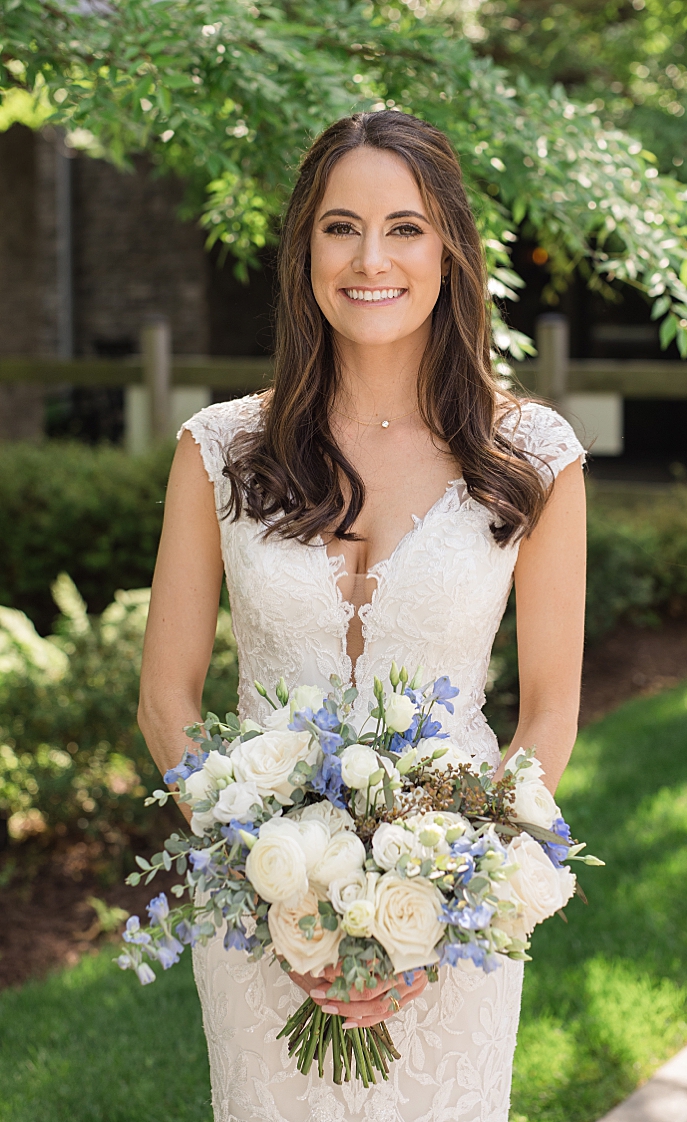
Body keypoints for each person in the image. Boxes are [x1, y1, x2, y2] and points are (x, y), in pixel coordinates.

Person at [137, 110, 586, 1121]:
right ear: (304, 249)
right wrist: (271, 887)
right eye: (340, 227)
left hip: (456, 928)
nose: (370, 258)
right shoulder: (220, 448)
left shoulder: (533, 457)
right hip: (256, 917)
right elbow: (165, 697)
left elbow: (550, 710)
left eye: (405, 227)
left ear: (452, 250)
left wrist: (456, 900)